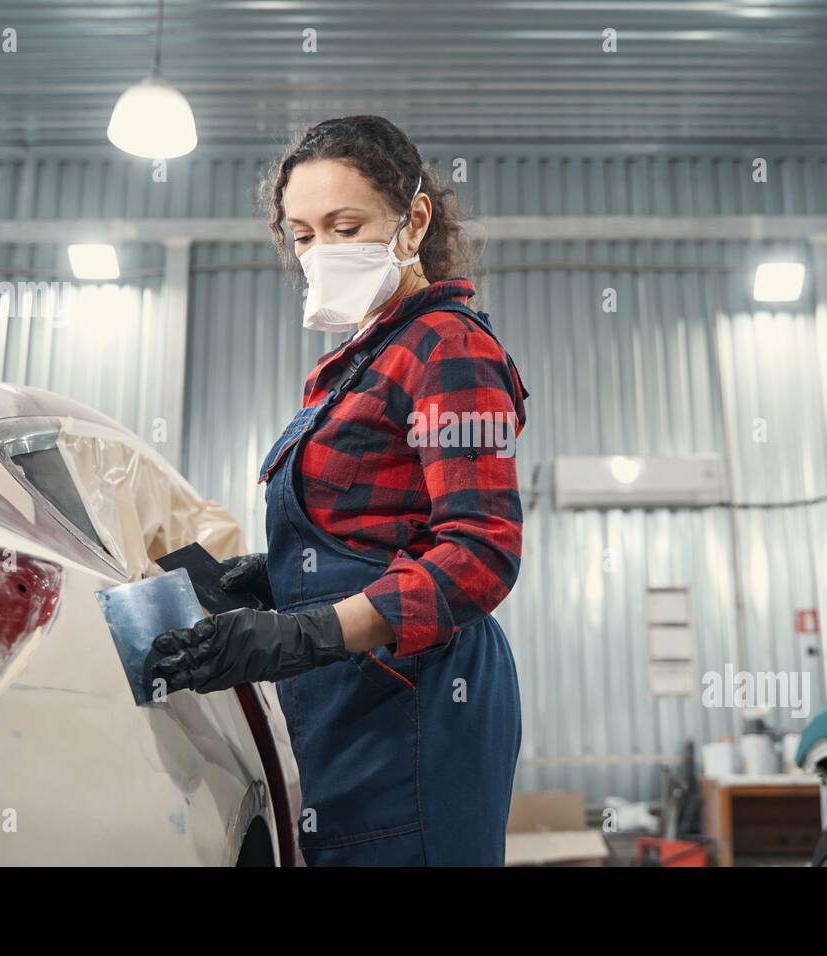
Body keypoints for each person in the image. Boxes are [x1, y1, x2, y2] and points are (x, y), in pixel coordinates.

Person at [151, 115, 529, 866]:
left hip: (416, 698)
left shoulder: (447, 345)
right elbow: (370, 529)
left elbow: (481, 552)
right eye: (302, 234)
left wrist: (305, 631)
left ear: (413, 219)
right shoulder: (355, 363)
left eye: (344, 225)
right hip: (348, 694)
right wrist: (272, 581)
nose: (321, 251)